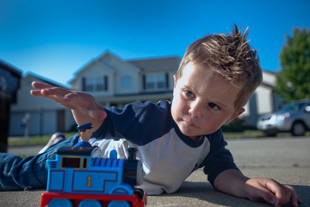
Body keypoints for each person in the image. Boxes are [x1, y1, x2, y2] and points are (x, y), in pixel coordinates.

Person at [0, 24, 301, 207]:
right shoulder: (149, 118)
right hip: (84, 157)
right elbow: (101, 127)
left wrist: (246, 185)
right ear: (174, 85)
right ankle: (51, 146)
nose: (195, 111)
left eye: (213, 106)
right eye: (189, 94)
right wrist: (86, 112)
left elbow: (222, 173)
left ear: (234, 115)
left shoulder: (212, 139)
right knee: (19, 175)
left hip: (118, 179)